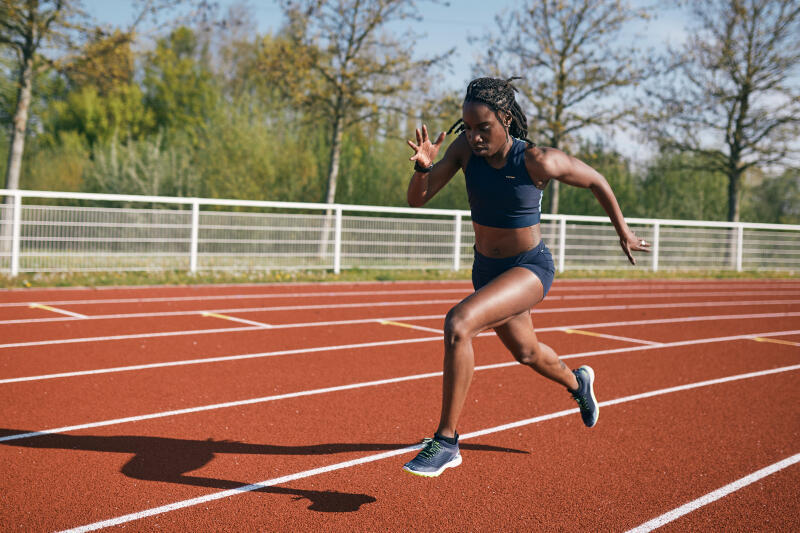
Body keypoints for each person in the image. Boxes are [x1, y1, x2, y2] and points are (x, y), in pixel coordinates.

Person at [402, 77, 650, 478]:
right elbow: (418, 198)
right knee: (527, 353)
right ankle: (578, 383)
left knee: (459, 324)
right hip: (486, 271)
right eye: (470, 128)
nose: (477, 137)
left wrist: (623, 230)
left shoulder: (537, 160)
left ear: (505, 119)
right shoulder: (464, 150)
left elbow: (596, 180)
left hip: (530, 268)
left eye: (485, 127)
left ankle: (446, 441)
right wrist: (422, 168)